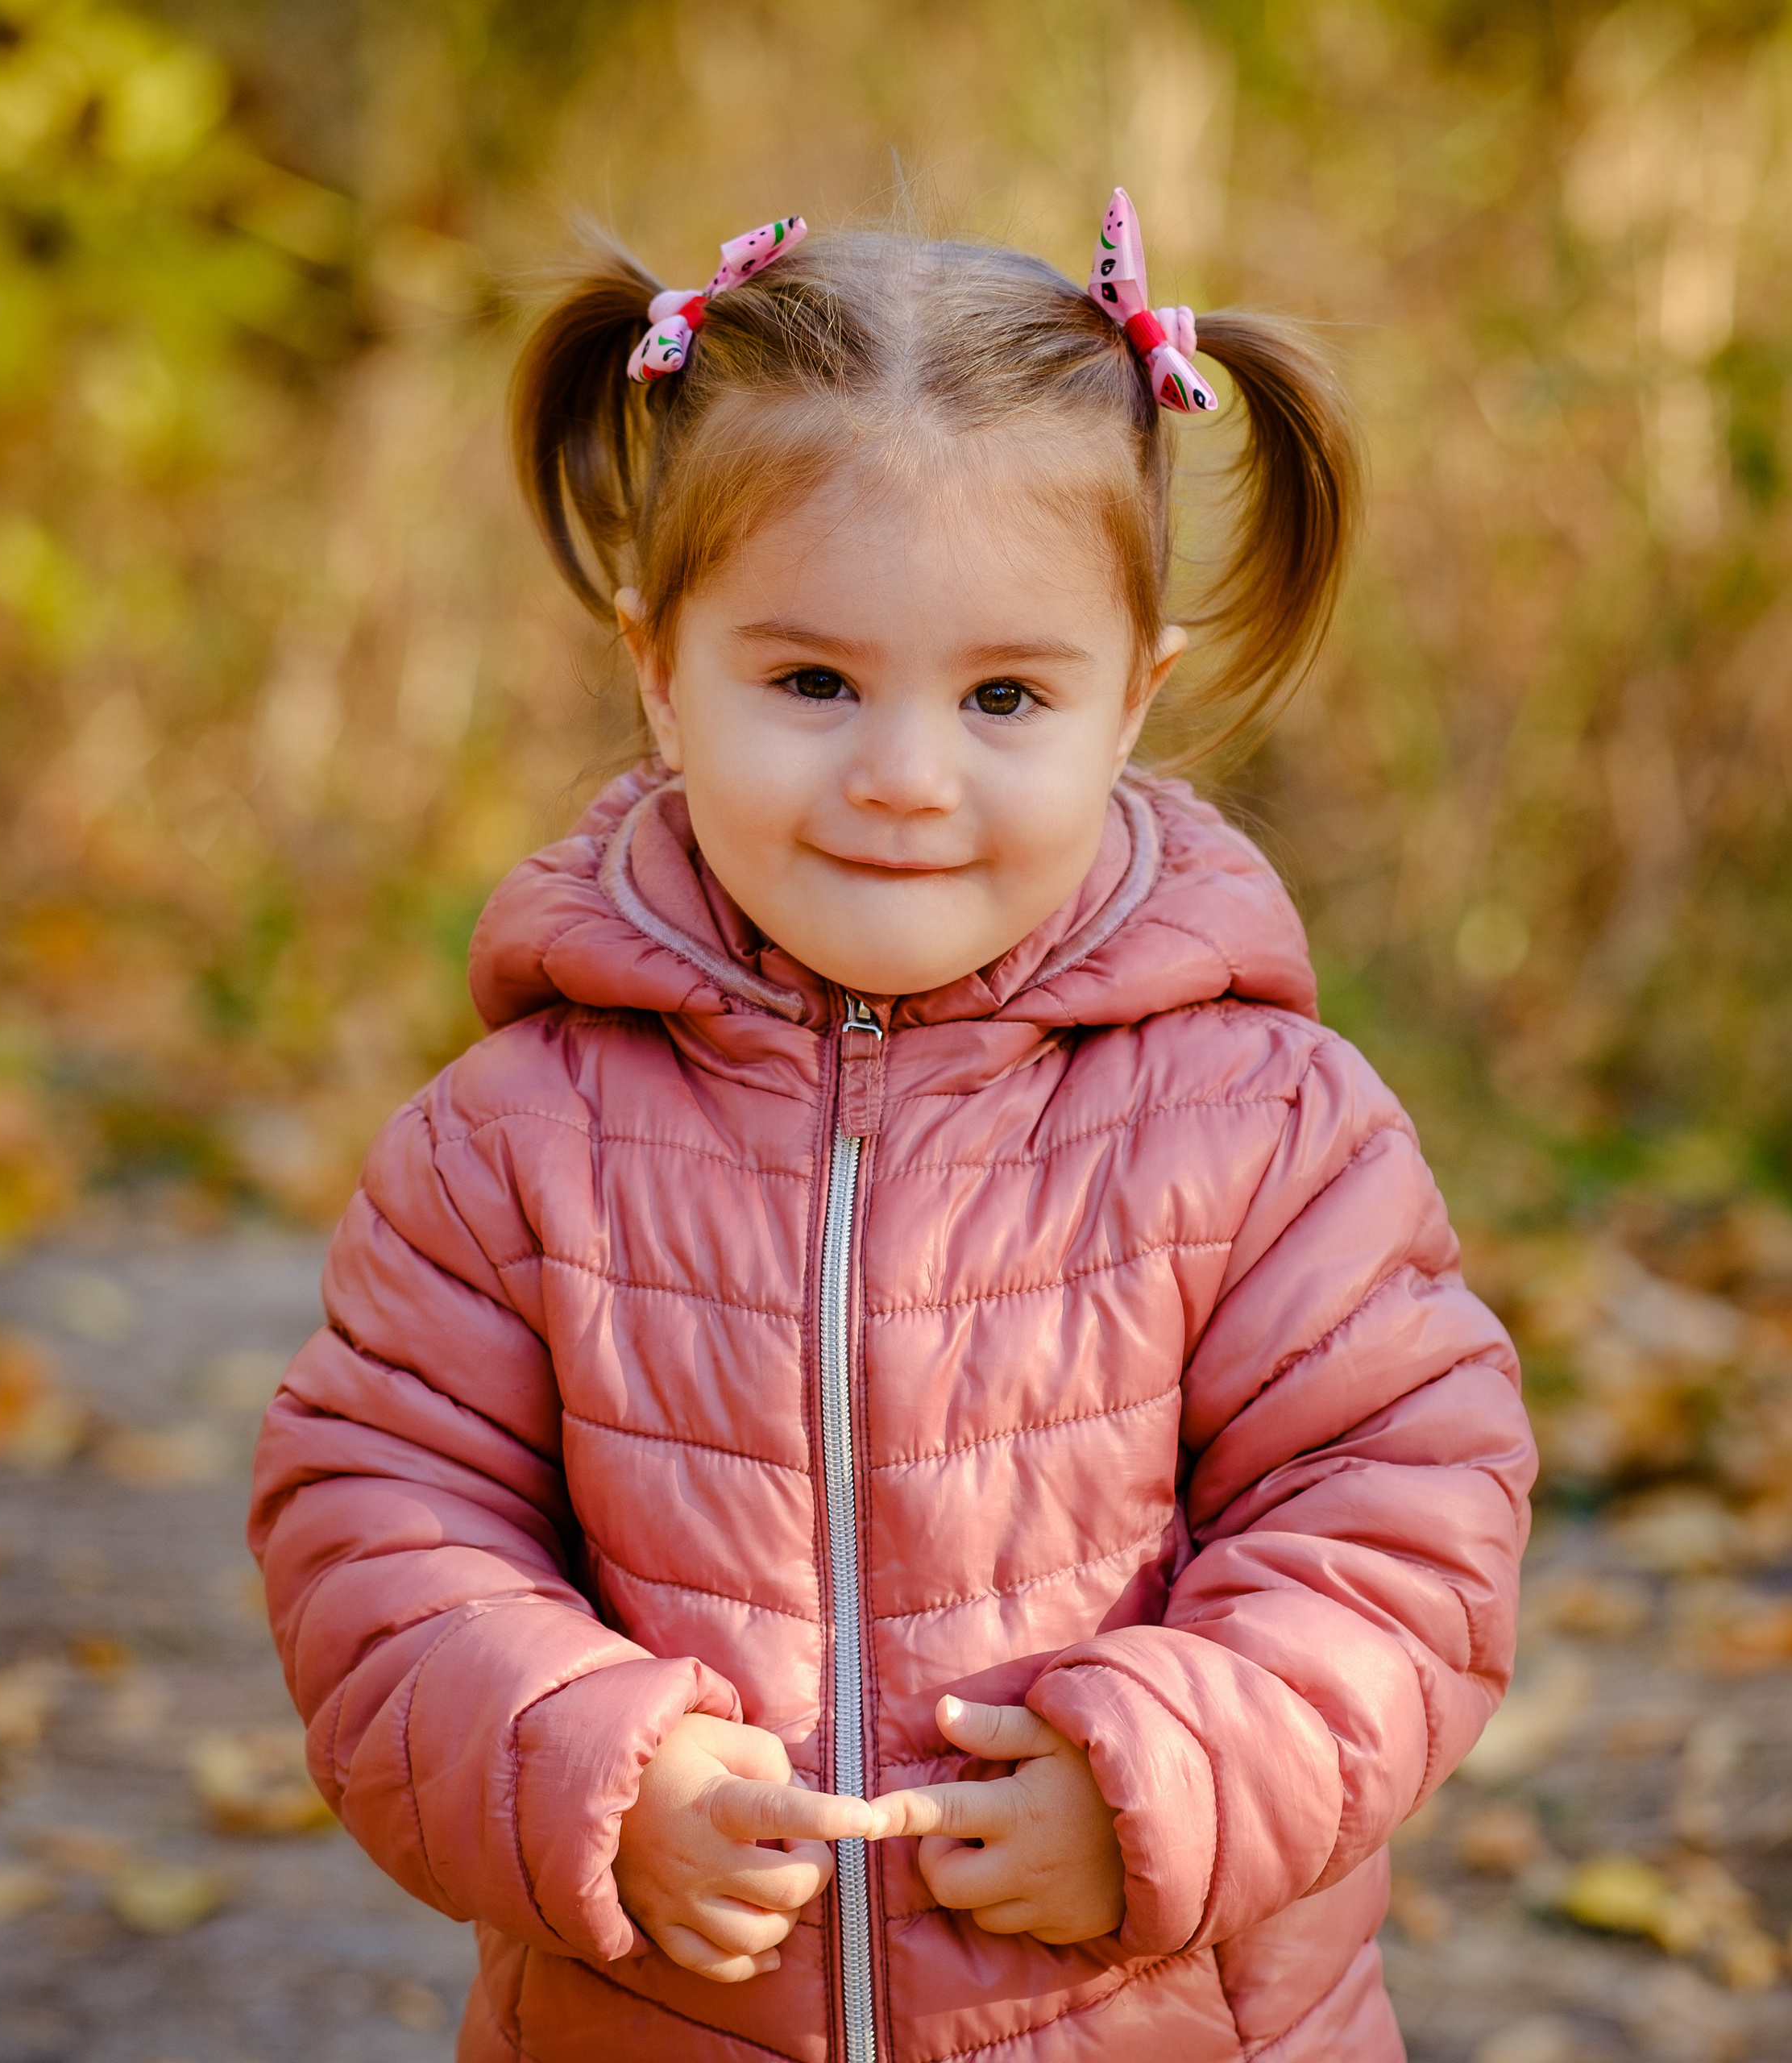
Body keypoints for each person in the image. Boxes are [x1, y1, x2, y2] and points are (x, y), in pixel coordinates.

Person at [249, 193, 1536, 2063]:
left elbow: (1400, 1530)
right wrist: (589, 1761)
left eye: (1004, 694)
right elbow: (377, 1528)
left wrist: (1162, 1773)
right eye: (810, 682)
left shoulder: (1262, 1131)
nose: (904, 777)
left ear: (1132, 698)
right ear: (656, 670)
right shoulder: (508, 1142)